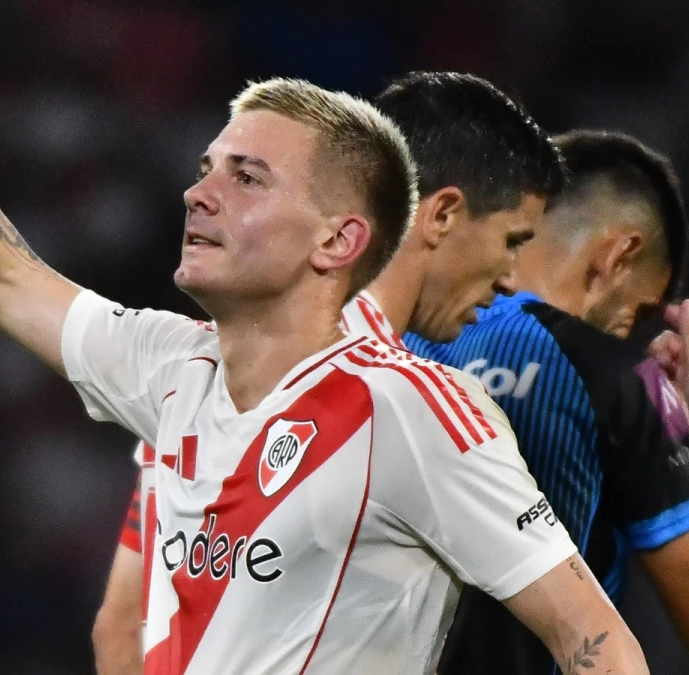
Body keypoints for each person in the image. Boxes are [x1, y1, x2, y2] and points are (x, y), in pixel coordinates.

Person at [0, 23, 649, 674]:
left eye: (247, 177)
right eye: (207, 168)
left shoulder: (412, 410)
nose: (200, 192)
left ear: (338, 239)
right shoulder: (170, 365)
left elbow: (599, 644)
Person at [94, 70, 568, 675]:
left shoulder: (233, 354)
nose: (510, 278)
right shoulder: (386, 396)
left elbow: (126, 624)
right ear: (443, 214)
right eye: (511, 241)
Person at [399, 130, 689, 673]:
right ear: (618, 255)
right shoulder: (613, 376)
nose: (629, 334)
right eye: (638, 312)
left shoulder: (386, 341)